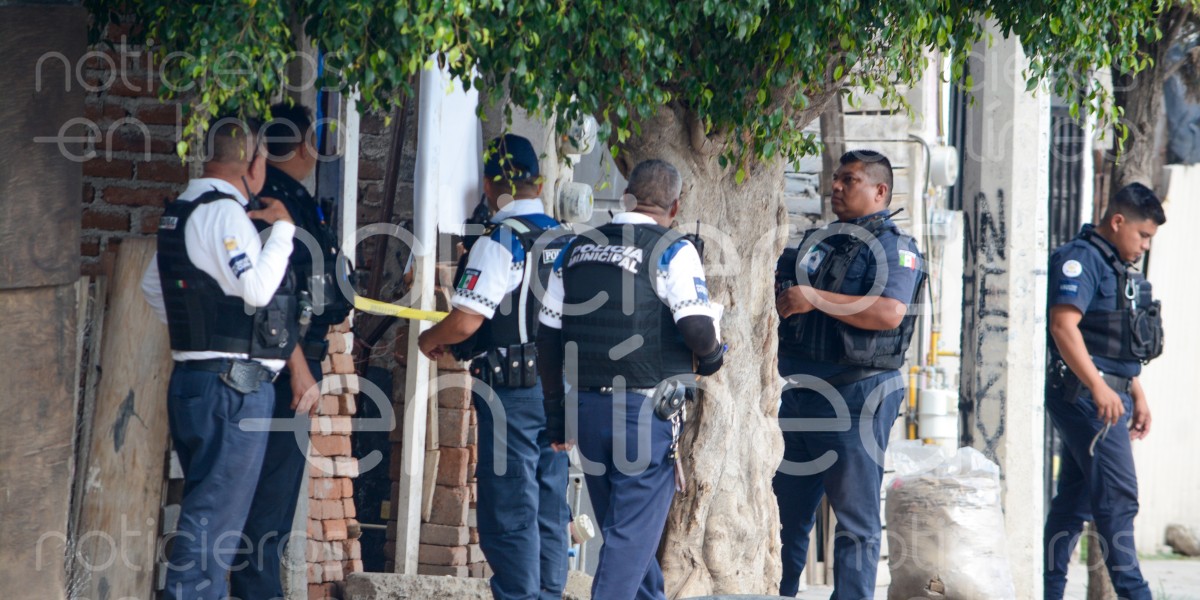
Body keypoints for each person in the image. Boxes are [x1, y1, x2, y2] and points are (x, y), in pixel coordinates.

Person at [537, 159, 725, 600]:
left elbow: (547, 338)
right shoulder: (673, 249)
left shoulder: (575, 248)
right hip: (644, 415)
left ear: (626, 197)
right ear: (675, 206)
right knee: (627, 543)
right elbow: (697, 330)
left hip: (586, 410)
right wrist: (714, 356)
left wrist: (556, 414)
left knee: (629, 542)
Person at [141, 114, 307, 600]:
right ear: (253, 164)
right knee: (213, 526)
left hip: (194, 381)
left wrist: (200, 336)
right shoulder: (226, 213)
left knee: (205, 512)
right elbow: (256, 289)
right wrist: (284, 231)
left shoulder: (181, 210)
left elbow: (152, 287)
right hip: (232, 390)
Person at [417, 134, 573, 599]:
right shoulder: (568, 240)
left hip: (513, 393)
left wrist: (430, 338)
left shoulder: (501, 240)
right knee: (549, 500)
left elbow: (466, 320)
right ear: (539, 185)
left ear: (488, 186)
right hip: (561, 389)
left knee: (510, 504)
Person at [772, 150, 924, 598]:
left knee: (855, 523)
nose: (835, 186)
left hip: (857, 396)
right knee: (782, 517)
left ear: (880, 190)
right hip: (801, 396)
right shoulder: (819, 242)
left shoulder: (896, 248)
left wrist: (813, 298)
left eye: (849, 180)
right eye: (835, 178)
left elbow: (890, 312)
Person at [228, 102, 354, 600]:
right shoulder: (272, 204)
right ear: (304, 145)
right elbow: (272, 300)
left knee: (277, 501)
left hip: (295, 357)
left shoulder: (293, 199)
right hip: (282, 362)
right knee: (268, 499)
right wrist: (298, 365)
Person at [1043, 183, 1165, 600]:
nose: (1145, 246)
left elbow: (1107, 341)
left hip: (1109, 394)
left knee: (1073, 503)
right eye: (1142, 235)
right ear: (1117, 221)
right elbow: (1063, 327)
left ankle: (1049, 591)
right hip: (1087, 397)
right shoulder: (1081, 259)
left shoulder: (1115, 264)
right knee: (1118, 499)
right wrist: (1099, 386)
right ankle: (1135, 594)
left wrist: (1135, 390)